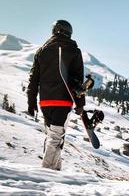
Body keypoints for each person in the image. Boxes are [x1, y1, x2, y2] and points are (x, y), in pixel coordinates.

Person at [27, 20, 85, 170]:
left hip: (45, 102)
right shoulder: (74, 51)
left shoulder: (42, 50)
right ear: (68, 33)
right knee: (56, 137)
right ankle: (48, 172)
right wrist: (80, 104)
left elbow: (34, 79)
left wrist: (31, 101)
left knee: (53, 136)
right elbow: (78, 80)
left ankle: (56, 170)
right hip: (63, 101)